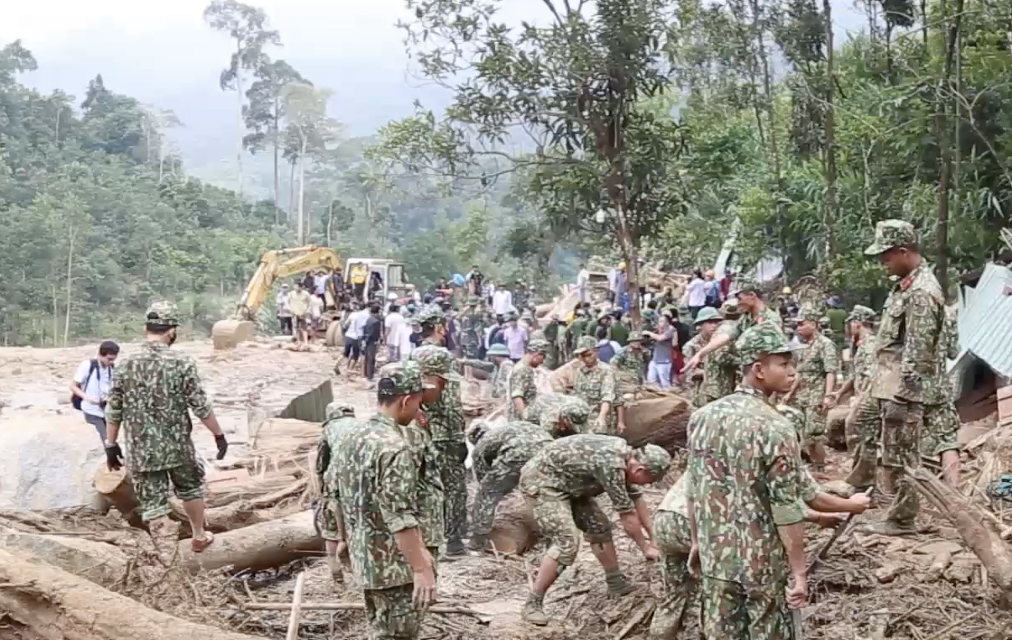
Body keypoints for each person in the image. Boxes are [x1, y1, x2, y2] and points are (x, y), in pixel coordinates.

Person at [686, 323, 860, 640]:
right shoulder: (775, 428)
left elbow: (695, 490)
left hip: (716, 560)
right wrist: (798, 572)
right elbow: (786, 509)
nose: (792, 370)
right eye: (784, 363)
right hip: (761, 566)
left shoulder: (702, 417)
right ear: (759, 369)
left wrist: (698, 542)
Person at [654, 401, 870, 640]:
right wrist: (852, 505)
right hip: (709, 528)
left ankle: (666, 633)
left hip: (667, 519)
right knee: (746, 592)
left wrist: (819, 519)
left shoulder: (723, 445)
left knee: (678, 593)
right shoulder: (774, 446)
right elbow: (796, 502)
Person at [104, 302, 227, 555]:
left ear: (146, 329)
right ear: (171, 331)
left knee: (153, 504)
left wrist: (110, 443)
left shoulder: (125, 364)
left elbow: (114, 408)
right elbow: (200, 405)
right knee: (190, 489)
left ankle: (166, 553)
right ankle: (199, 536)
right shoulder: (181, 361)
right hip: (178, 446)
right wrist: (219, 435)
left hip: (142, 450)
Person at [330, 361, 438, 639]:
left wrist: (342, 538)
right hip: (394, 566)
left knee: (381, 630)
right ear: (405, 400)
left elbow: (336, 496)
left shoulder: (350, 436)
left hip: (365, 561)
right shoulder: (393, 446)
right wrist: (420, 568)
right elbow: (399, 516)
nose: (418, 411)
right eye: (417, 403)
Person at [520, 436, 672, 625]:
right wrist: (645, 547)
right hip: (543, 482)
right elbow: (627, 515)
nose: (646, 485)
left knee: (600, 528)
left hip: (571, 482)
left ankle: (616, 583)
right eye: (649, 480)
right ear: (640, 469)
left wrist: (653, 538)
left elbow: (637, 499)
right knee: (567, 543)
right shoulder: (613, 465)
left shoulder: (627, 459)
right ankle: (533, 603)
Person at [858, 220, 948, 535]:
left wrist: (903, 395)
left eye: (885, 255)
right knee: (895, 453)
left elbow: (919, 352)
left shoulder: (922, 292)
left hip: (906, 391)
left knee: (908, 456)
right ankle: (895, 512)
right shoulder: (905, 285)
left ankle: (903, 519)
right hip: (891, 383)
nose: (882, 261)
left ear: (903, 251)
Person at [410, 329, 471, 556]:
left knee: (452, 492)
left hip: (448, 442)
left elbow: (453, 413)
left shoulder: (446, 382)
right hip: (436, 442)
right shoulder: (420, 387)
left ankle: (452, 539)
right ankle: (441, 540)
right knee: (439, 492)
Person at [466, 420, 554, 553]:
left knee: (487, 493)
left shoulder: (482, 444)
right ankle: (552, 535)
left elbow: (483, 480)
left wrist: (498, 499)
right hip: (549, 451)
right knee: (545, 493)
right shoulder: (508, 428)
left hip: (518, 454)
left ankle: (477, 541)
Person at [683, 278, 783, 373]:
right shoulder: (746, 318)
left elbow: (776, 353)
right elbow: (727, 335)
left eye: (740, 298)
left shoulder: (771, 320)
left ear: (752, 295)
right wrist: (701, 353)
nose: (738, 303)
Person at [783, 306, 839, 473]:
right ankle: (808, 466)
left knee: (814, 436)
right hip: (801, 396)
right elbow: (800, 372)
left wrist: (828, 395)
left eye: (802, 324)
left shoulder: (825, 345)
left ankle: (820, 468)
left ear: (813, 324)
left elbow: (830, 371)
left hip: (816, 395)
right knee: (801, 434)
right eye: (797, 325)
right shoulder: (804, 346)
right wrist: (789, 393)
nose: (798, 328)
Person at [830, 305, 879, 489]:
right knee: (859, 437)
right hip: (863, 397)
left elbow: (871, 376)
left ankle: (864, 483)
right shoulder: (860, 346)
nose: (848, 326)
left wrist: (862, 399)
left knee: (860, 434)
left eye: (851, 322)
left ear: (859, 323)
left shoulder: (870, 345)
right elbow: (855, 375)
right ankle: (861, 480)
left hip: (869, 398)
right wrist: (840, 393)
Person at [315, 401, 357, 584]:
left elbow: (320, 466)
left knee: (331, 531)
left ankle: (336, 574)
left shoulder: (328, 430)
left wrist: (322, 492)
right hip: (359, 486)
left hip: (335, 486)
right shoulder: (363, 427)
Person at [572, 336, 626, 435]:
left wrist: (603, 417)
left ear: (596, 352)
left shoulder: (606, 371)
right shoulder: (580, 371)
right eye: (583, 356)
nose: (586, 359)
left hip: (600, 421)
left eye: (589, 355)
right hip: (582, 421)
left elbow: (608, 397)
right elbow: (576, 395)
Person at [71, 340, 119, 445]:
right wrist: (88, 398)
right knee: (107, 440)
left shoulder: (112, 368)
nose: (111, 362)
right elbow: (73, 386)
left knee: (112, 439)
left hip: (106, 409)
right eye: (109, 359)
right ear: (100, 355)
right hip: (91, 409)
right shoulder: (87, 365)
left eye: (113, 359)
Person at [681, 308, 722, 408]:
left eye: (716, 322)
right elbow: (690, 373)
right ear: (701, 325)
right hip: (702, 396)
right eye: (710, 322)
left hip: (724, 393)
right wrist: (710, 372)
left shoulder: (722, 343)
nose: (714, 325)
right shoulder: (691, 346)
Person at [508, 338, 549, 420]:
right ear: (537, 354)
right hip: (520, 420)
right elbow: (517, 397)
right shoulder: (522, 370)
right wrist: (525, 418)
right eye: (543, 357)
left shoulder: (525, 369)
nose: (542, 361)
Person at [525, 393, 592, 438]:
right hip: (533, 416)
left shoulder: (582, 408)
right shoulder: (549, 415)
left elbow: (586, 433)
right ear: (564, 419)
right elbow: (547, 438)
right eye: (569, 424)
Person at [645, 313, 676, 390]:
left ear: (667, 322)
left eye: (662, 321)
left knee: (665, 383)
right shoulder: (658, 330)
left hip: (664, 362)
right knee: (651, 380)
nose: (660, 323)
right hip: (655, 360)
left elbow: (660, 338)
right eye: (659, 321)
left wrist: (649, 333)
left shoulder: (671, 330)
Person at [343, 303, 370, 373]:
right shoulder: (363, 316)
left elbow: (345, 325)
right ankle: (350, 370)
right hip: (356, 337)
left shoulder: (352, 314)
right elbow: (364, 327)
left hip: (348, 335)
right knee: (355, 356)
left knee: (345, 354)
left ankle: (341, 366)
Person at [362, 303, 383, 383]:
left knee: (367, 358)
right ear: (377, 311)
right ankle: (370, 376)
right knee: (371, 359)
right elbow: (373, 333)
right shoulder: (376, 321)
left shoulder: (369, 319)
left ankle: (367, 374)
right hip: (372, 342)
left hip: (367, 341)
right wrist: (377, 340)